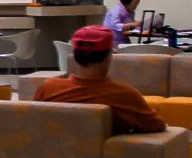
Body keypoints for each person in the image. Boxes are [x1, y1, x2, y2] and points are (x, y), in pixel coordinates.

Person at [31, 26, 166, 134]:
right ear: (108, 57)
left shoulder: (48, 89)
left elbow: (32, 122)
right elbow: (157, 126)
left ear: (75, 57)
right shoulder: (124, 96)